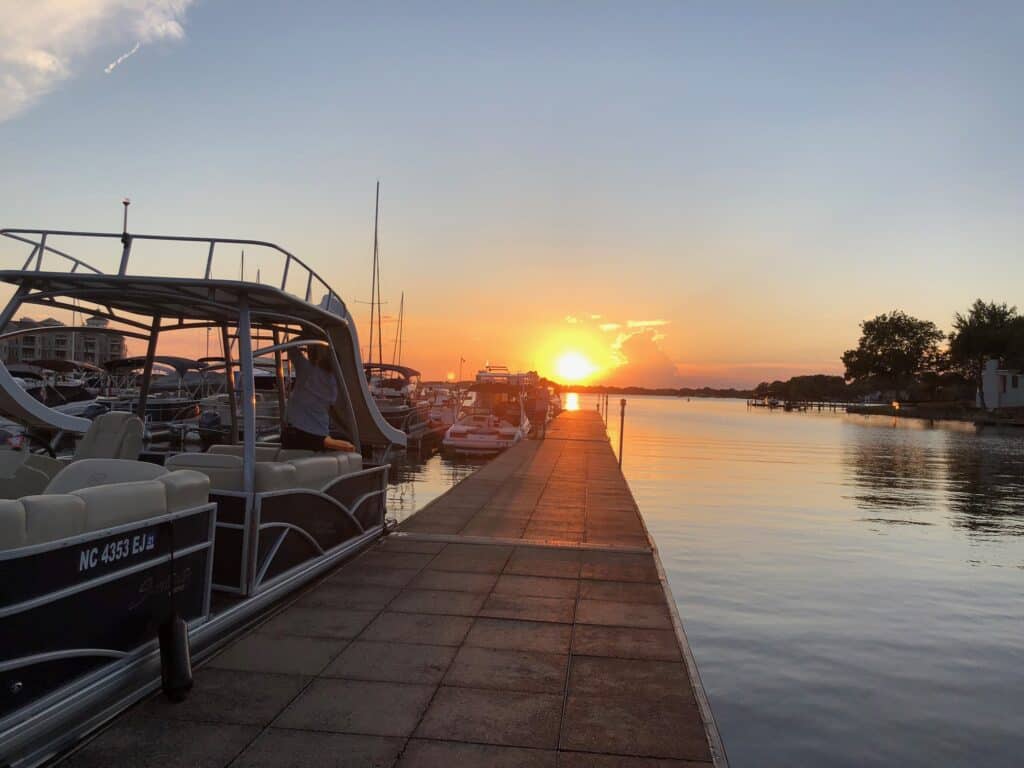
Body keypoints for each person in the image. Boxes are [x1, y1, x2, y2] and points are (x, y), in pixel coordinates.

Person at [282, 345, 355, 452]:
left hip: (292, 435)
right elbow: (331, 410)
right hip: (317, 436)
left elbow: (292, 347)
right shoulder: (333, 383)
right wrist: (346, 427)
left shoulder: (305, 368)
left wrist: (306, 338)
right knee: (347, 442)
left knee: (341, 441)